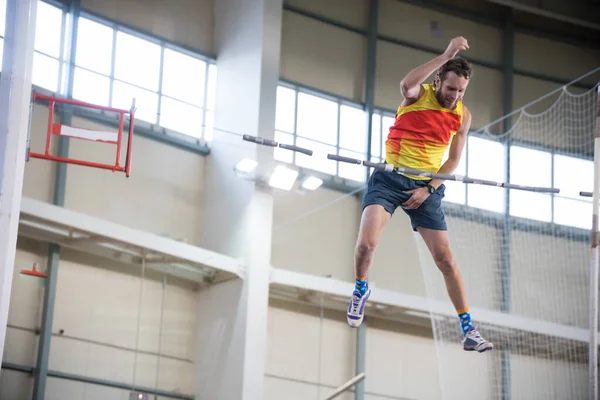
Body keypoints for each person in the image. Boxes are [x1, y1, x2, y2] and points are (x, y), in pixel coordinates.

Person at [346, 36, 493, 353]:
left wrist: (429, 189)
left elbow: (453, 160)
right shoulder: (417, 95)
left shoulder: (462, 116)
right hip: (389, 180)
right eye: (450, 88)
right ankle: (360, 290)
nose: (454, 96)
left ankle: (468, 328)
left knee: (446, 260)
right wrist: (444, 54)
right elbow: (406, 82)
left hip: (426, 188)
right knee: (365, 245)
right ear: (439, 80)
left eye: (461, 91)